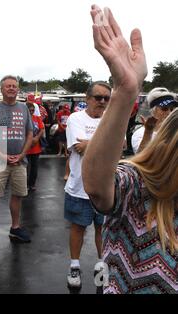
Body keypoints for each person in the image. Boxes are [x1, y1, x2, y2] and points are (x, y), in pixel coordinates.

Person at [83, 5, 177, 294]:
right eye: (97, 98)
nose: (100, 101)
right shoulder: (139, 187)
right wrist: (124, 91)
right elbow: (100, 187)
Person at [63, 81, 111, 290]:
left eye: (106, 98)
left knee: (104, 228)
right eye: (98, 97)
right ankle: (75, 266)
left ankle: (102, 264)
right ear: (87, 98)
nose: (102, 102)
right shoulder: (75, 118)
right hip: (79, 186)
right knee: (78, 228)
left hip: (107, 187)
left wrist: (91, 143)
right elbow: (79, 148)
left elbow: (120, 146)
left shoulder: (111, 119)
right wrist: (107, 141)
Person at [0, 75, 34, 248]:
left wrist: (22, 154)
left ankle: (15, 227)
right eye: (8, 86)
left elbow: (29, 134)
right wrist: (1, 155)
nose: (11, 88)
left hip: (20, 160)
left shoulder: (24, 108)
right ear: (2, 90)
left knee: (18, 195)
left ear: (18, 89)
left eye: (14, 86)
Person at [131, 87, 176, 154]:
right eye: (164, 108)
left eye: (172, 109)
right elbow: (141, 156)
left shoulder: (174, 131)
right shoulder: (140, 133)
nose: (169, 113)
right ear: (153, 110)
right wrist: (148, 132)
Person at [26, 102, 45, 192]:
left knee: (34, 167)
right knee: (25, 168)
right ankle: (24, 185)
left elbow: (42, 129)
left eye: (33, 110)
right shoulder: (22, 119)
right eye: (30, 110)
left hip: (36, 148)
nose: (31, 111)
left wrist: (37, 138)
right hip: (25, 148)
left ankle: (32, 184)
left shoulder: (37, 118)